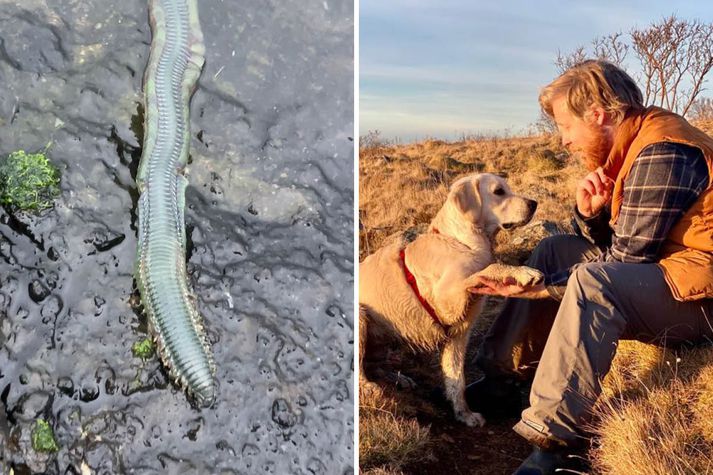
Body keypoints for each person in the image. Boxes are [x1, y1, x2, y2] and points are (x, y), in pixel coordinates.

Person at [466, 59, 713, 474]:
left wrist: (543, 288)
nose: (563, 141)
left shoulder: (663, 151)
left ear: (597, 115)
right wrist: (592, 215)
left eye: (565, 126)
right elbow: (626, 250)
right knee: (555, 250)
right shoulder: (635, 146)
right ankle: (505, 377)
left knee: (590, 282)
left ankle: (556, 439)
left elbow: (625, 263)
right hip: (673, 273)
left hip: (701, 298)